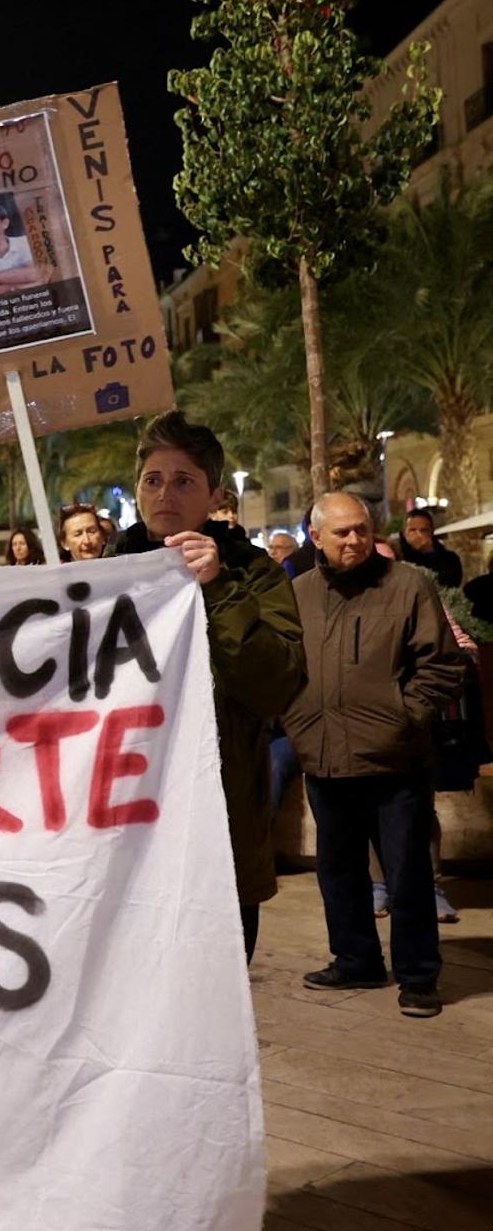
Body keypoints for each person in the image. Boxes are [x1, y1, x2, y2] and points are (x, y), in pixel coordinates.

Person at [115, 411, 305, 961]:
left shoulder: (253, 574)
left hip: (217, 826)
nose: (164, 493)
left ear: (215, 495)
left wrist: (219, 590)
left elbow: (276, 684)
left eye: (183, 481)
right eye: (152, 480)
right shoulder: (106, 573)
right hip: (126, 822)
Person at [282, 492, 469, 1019]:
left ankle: (418, 976)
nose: (354, 539)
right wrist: (298, 723)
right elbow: (284, 668)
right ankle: (356, 960)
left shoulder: (408, 586)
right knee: (338, 869)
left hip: (395, 759)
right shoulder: (297, 594)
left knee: (406, 872)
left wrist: (404, 718)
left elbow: (442, 666)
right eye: (341, 532)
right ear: (315, 537)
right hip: (323, 756)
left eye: (361, 529)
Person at [397, 507, 462, 588]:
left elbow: (449, 585)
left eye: (423, 530)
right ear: (404, 533)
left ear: (431, 532)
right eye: (412, 530)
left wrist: (429, 552)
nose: (419, 535)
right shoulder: (395, 557)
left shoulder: (450, 559)